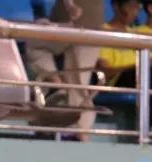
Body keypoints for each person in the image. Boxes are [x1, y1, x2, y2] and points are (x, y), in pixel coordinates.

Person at [25, 0, 106, 137]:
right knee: (78, 84)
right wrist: (70, 6)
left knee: (78, 85)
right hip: (66, 23)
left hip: (86, 26)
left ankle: (81, 134)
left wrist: (70, 6)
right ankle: (57, 84)